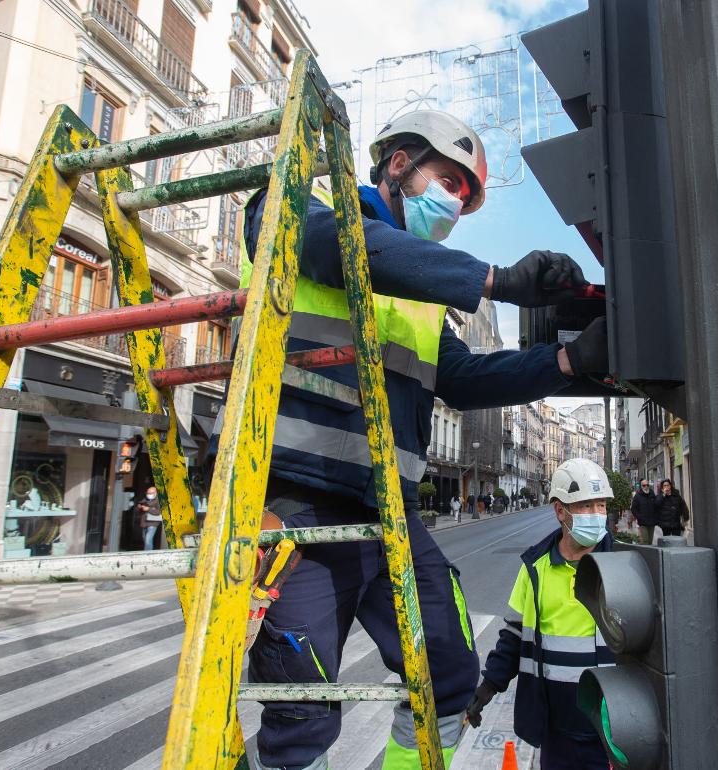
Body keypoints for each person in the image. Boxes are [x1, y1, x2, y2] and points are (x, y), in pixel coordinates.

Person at [224, 110, 610, 770]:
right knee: (301, 709)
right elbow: (346, 247)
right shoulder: (304, 204)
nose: (455, 204)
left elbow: (463, 377)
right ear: (399, 163)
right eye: (449, 182)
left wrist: (569, 363)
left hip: (391, 514)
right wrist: (496, 281)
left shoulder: (426, 297)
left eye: (466, 196)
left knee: (450, 676)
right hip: (295, 501)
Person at [464, 459, 615, 769]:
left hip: (612, 726)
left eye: (601, 505)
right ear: (560, 511)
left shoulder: (624, 561)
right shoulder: (535, 569)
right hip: (555, 727)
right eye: (585, 506)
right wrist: (489, 685)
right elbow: (515, 634)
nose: (596, 515)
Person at [629, 478, 659, 545]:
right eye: (644, 485)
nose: (646, 487)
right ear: (641, 486)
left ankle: (649, 551)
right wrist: (639, 517)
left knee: (650, 541)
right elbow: (633, 508)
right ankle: (646, 551)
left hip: (652, 521)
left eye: (647, 485)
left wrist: (656, 516)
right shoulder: (638, 496)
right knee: (645, 540)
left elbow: (656, 505)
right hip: (643, 522)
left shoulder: (652, 494)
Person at [138, 486, 161, 551]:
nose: (149, 494)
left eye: (150, 493)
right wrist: (140, 507)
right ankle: (148, 552)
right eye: (148, 493)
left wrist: (148, 509)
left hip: (153, 523)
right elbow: (139, 507)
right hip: (144, 522)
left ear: (155, 493)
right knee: (145, 539)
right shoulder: (145, 499)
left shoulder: (159, 500)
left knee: (148, 540)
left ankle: (147, 554)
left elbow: (159, 512)